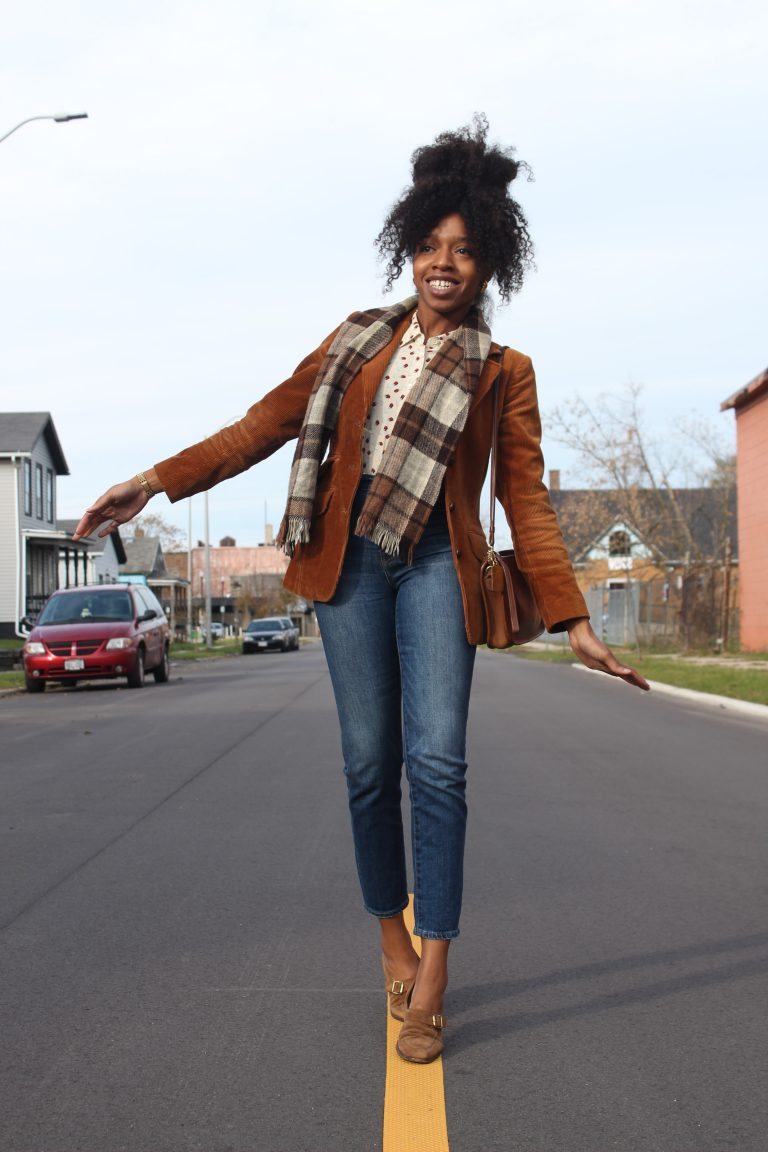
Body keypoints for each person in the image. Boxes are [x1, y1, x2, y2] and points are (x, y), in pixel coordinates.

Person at [74, 116, 649, 1065]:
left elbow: (527, 500)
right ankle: (391, 937)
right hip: (348, 571)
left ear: (490, 262)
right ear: (408, 248)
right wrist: (156, 478)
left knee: (440, 765)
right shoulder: (355, 343)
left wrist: (575, 615)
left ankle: (434, 971)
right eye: (429, 245)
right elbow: (261, 424)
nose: (444, 263)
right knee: (367, 767)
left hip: (435, 567)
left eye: (464, 251)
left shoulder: (507, 372)